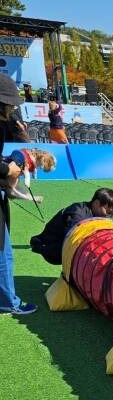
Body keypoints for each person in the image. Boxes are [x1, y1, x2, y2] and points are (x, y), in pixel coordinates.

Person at [0, 75, 36, 316]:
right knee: (4, 251)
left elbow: (23, 143)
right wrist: (7, 169)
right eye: (9, 104)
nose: (13, 108)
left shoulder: (7, 122)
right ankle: (8, 301)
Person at [30, 187, 113, 265]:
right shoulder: (78, 214)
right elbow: (72, 242)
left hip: (64, 245)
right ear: (96, 203)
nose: (108, 217)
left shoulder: (96, 214)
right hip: (51, 247)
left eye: (112, 215)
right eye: (108, 212)